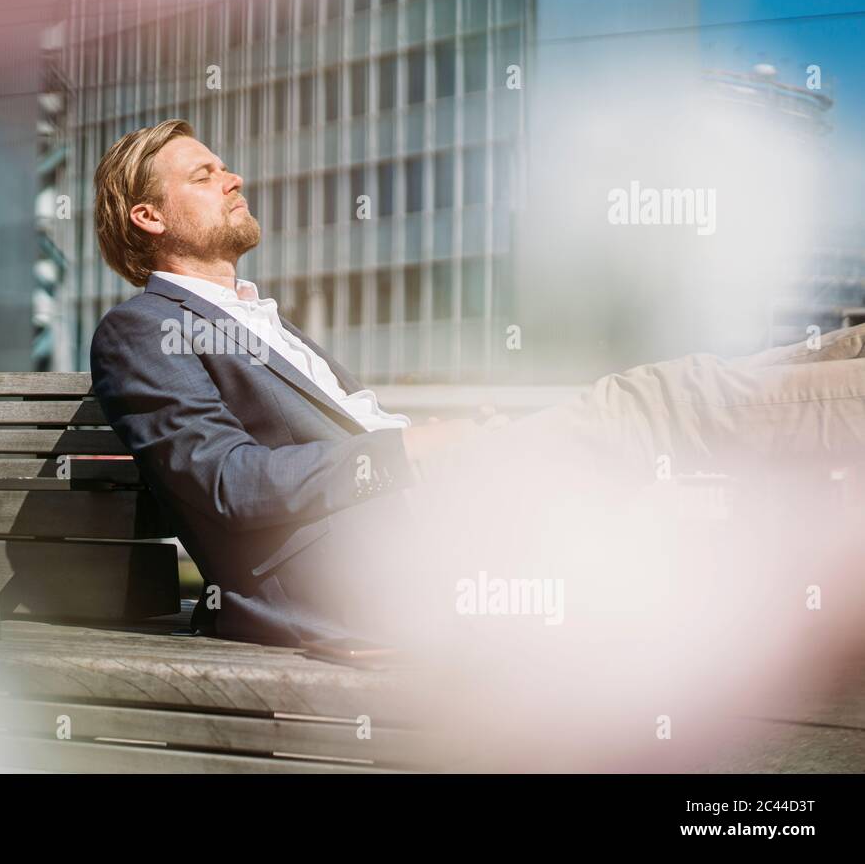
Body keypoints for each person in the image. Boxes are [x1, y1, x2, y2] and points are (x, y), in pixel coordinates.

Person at [88, 118, 865, 651]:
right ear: (149, 216)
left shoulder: (263, 320)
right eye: (205, 172)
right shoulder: (141, 330)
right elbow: (225, 482)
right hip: (375, 567)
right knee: (659, 402)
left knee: (721, 391)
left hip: (434, 513)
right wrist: (407, 450)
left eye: (224, 165)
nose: (234, 176)